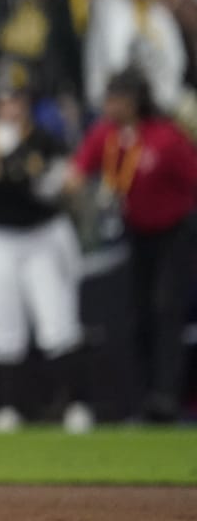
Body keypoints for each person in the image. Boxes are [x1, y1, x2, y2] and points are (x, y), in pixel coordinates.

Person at [0, 76, 92, 433]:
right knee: (3, 326)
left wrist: (30, 168)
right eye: (4, 100)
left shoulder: (45, 138)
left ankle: (71, 404)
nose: (11, 107)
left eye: (17, 100)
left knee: (57, 321)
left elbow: (58, 188)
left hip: (41, 234)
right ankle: (10, 407)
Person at [70, 70, 197, 422]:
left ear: (134, 101)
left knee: (167, 309)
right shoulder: (106, 137)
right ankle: (142, 398)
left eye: (116, 99)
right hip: (136, 233)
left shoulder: (166, 138)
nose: (109, 106)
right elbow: (77, 172)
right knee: (137, 313)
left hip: (175, 233)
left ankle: (166, 396)